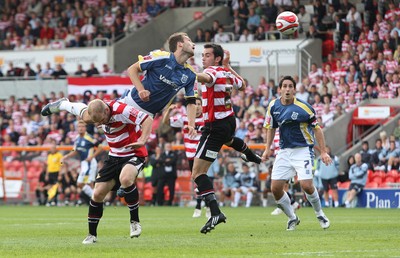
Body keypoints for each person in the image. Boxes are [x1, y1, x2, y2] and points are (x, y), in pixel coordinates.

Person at [41, 32, 197, 137]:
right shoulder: (162, 57)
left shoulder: (190, 74)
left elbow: (191, 102)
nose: (194, 44)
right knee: (92, 117)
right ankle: (64, 105)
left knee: (127, 146)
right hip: (130, 102)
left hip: (148, 115)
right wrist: (141, 90)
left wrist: (191, 124)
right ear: (180, 45)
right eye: (189, 40)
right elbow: (132, 69)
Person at [41, 98, 153, 244]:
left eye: (102, 120)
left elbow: (148, 119)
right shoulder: (91, 115)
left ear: (106, 110)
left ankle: (134, 222)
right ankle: (92, 235)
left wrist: (143, 139)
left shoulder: (122, 110)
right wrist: (63, 105)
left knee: (125, 179)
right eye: (97, 122)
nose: (100, 124)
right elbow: (77, 108)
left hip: (134, 153)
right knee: (97, 193)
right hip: (114, 157)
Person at [193, 44, 261, 234]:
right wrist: (227, 65)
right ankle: (249, 153)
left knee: (197, 173)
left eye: (207, 55)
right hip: (229, 121)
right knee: (229, 140)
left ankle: (215, 212)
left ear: (216, 59)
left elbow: (206, 77)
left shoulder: (212, 71)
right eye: (203, 55)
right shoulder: (226, 72)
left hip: (214, 126)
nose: (203, 59)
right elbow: (243, 85)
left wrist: (186, 71)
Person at [261, 75, 331, 231]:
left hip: (303, 150)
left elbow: (317, 130)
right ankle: (292, 218)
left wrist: (324, 152)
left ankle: (319, 213)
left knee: (306, 185)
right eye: (284, 86)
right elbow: (270, 128)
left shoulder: (304, 107)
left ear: (294, 89)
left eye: (290, 86)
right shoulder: (273, 106)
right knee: (275, 188)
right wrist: (267, 148)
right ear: (279, 89)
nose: (287, 89)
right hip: (284, 151)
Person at [162, 97, 207, 216]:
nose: (196, 107)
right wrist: (168, 110)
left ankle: (201, 207)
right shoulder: (184, 118)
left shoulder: (207, 119)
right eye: (194, 104)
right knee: (199, 181)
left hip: (203, 154)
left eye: (199, 104)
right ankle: (204, 206)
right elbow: (165, 122)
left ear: (202, 106)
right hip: (191, 155)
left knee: (201, 179)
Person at [60, 120, 104, 206]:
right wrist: (66, 157)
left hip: (90, 163)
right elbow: (75, 151)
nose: (80, 128)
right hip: (84, 163)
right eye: (79, 127)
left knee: (80, 183)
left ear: (85, 128)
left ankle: (97, 201)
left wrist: (92, 156)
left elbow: (100, 147)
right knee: (89, 183)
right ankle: (97, 201)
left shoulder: (89, 137)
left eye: (82, 126)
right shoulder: (77, 138)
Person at [45, 141, 63, 206]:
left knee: (56, 187)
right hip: (50, 173)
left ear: (55, 149)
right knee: (50, 187)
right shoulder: (49, 156)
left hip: (56, 172)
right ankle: (50, 200)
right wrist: (47, 174)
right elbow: (48, 165)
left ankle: (55, 200)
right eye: (51, 148)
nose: (52, 149)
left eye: (53, 148)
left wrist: (60, 174)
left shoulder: (59, 155)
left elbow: (61, 164)